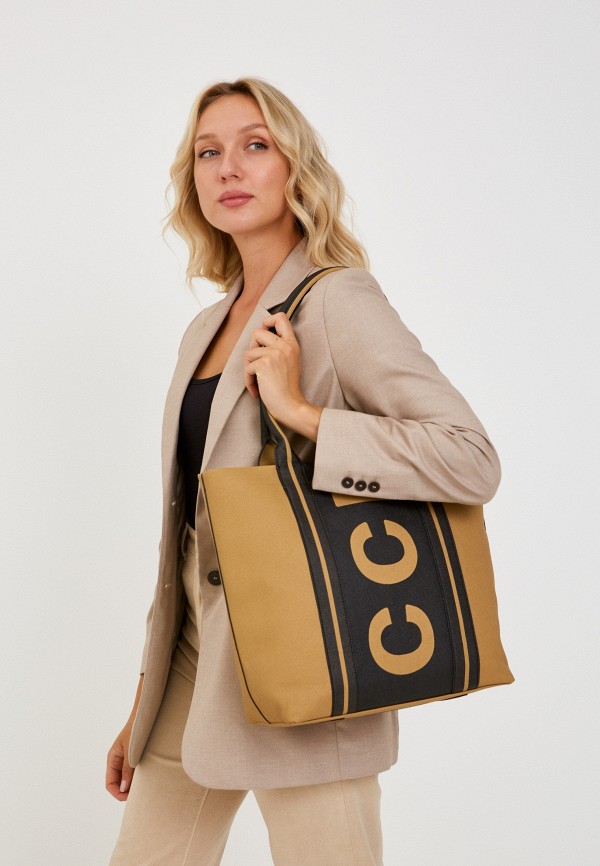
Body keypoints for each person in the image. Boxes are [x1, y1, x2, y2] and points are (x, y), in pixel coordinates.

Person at [105, 77, 501, 866]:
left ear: (295, 168)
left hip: (313, 662)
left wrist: (301, 412)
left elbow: (470, 457)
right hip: (195, 669)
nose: (228, 168)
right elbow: (189, 535)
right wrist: (144, 705)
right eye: (208, 152)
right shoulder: (204, 329)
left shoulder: (337, 301)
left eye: (255, 145)